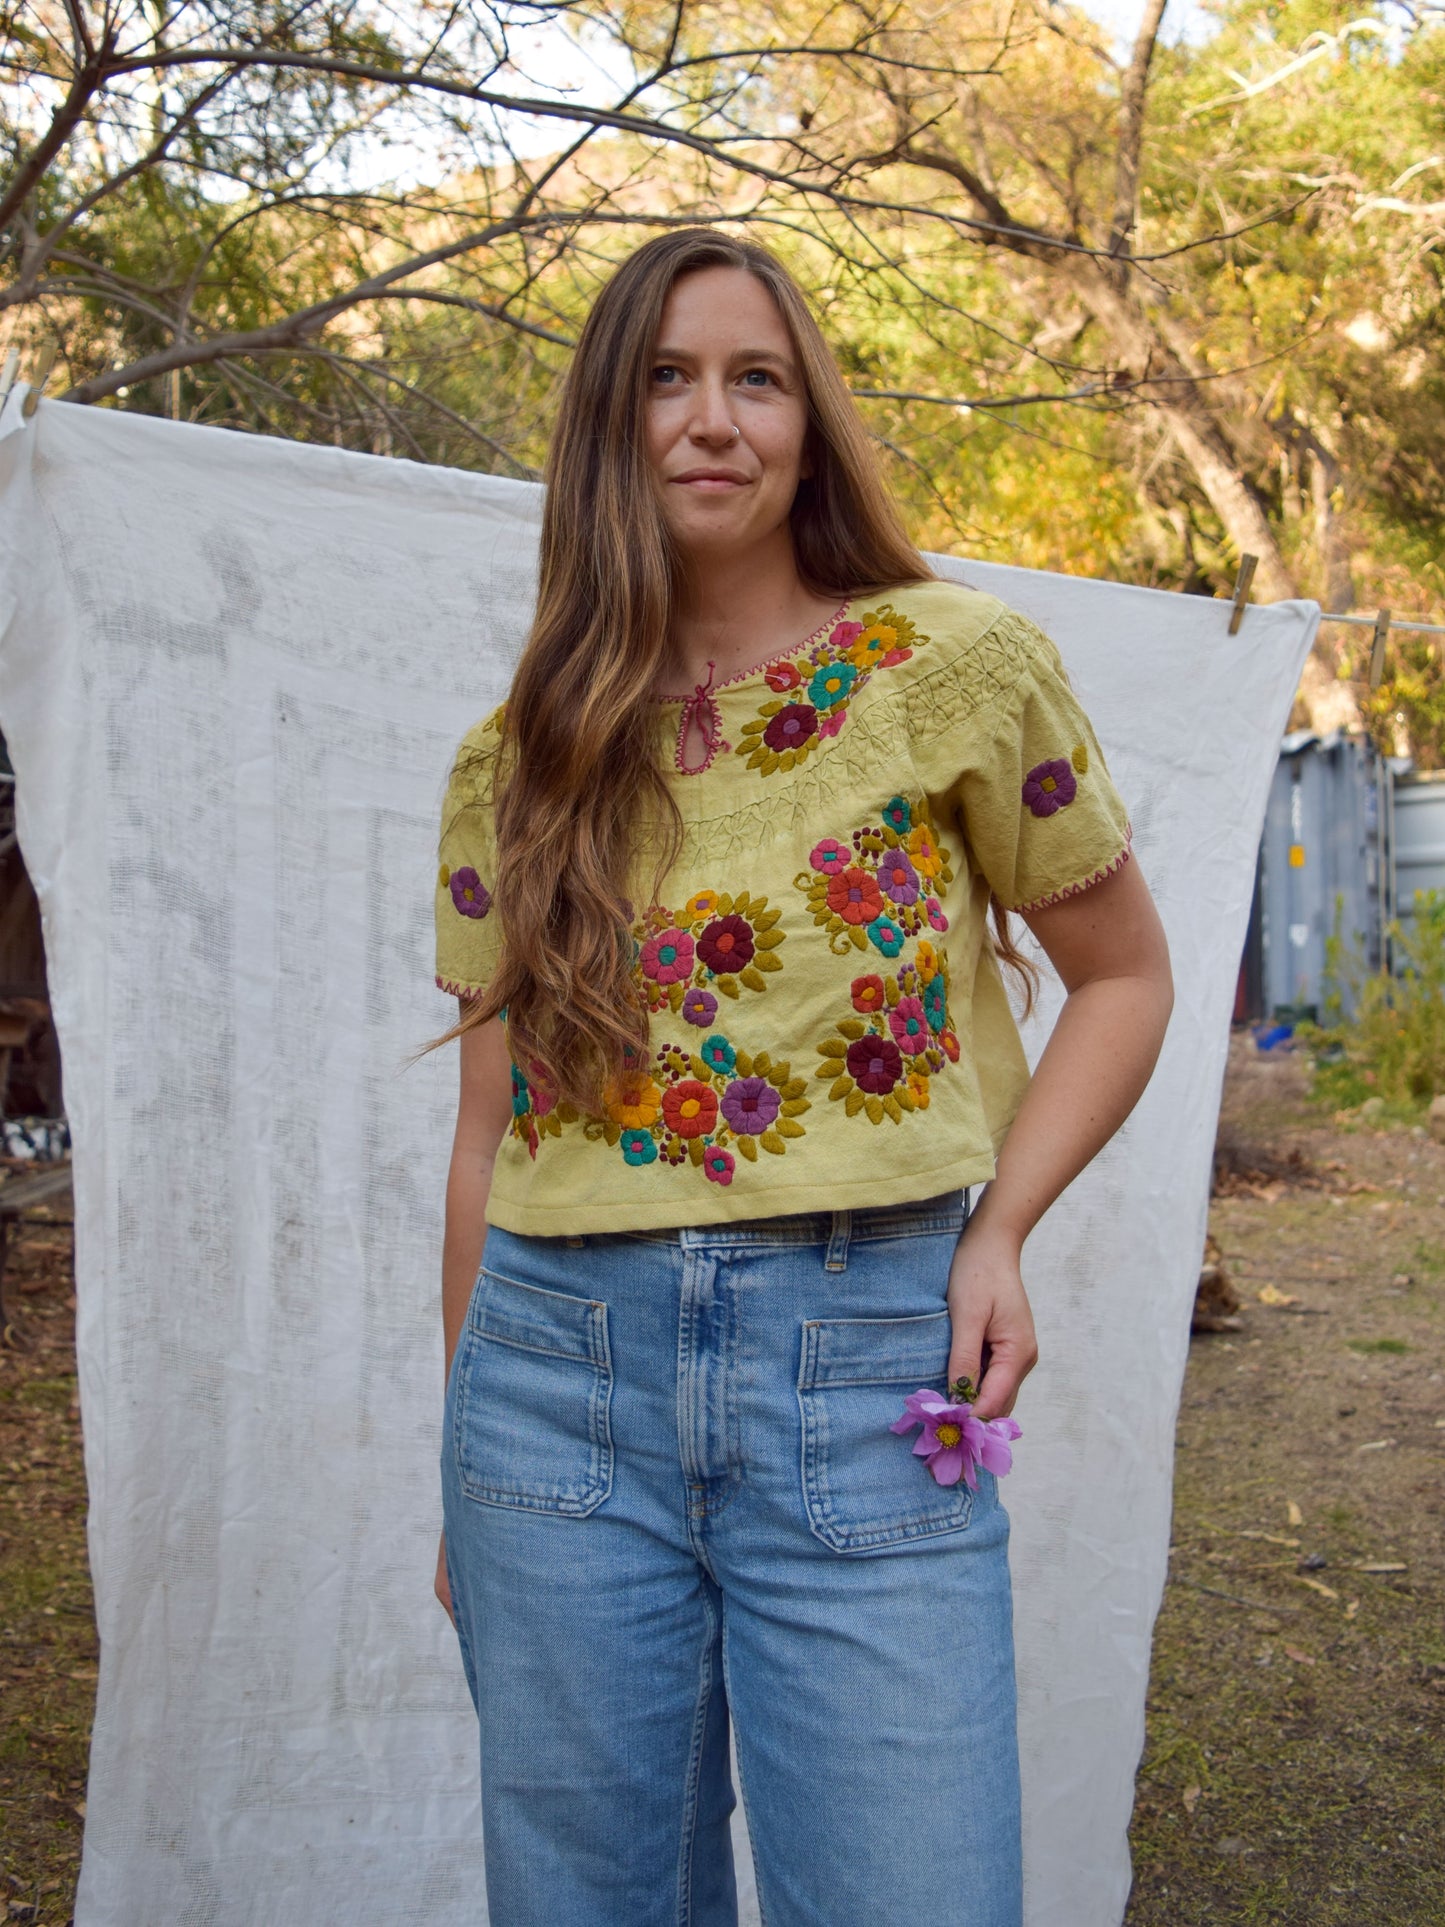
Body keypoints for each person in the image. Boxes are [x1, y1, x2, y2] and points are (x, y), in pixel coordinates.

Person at [431, 228, 1173, 1926]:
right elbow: (489, 1137)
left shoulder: (949, 665)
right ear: (605, 433)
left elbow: (1123, 978)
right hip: (553, 1390)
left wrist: (998, 1234)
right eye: (663, 381)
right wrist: (456, 1458)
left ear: (807, 418)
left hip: (866, 1360)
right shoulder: (517, 757)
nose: (709, 419)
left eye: (752, 377)